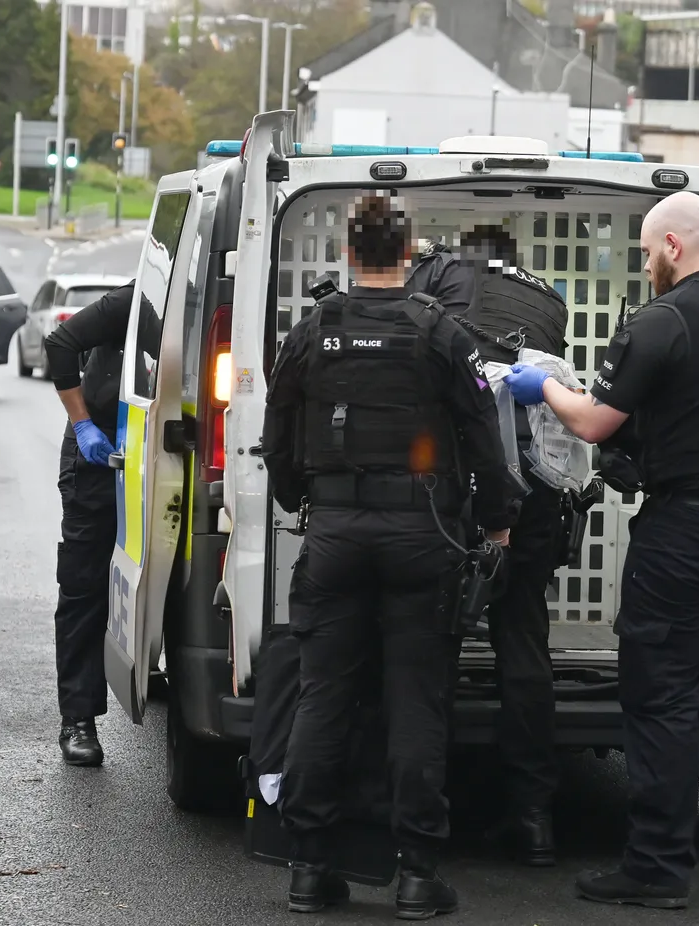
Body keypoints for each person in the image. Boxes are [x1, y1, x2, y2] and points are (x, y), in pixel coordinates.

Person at [504, 191, 699, 907]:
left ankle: (657, 867)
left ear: (671, 245)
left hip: (688, 527)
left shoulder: (661, 322)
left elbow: (597, 423)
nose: (644, 269)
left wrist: (542, 385)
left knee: (659, 693)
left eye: (644, 254)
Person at [262, 194, 519, 918]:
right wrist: (496, 526)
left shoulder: (313, 329)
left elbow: (278, 433)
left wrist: (299, 499)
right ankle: (415, 877)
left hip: (336, 534)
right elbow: (483, 437)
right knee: (417, 703)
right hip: (420, 540)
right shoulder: (442, 333)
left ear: (347, 252)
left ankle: (310, 868)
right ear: (408, 255)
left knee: (323, 697)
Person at [408, 225, 568, 866]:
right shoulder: (548, 297)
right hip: (535, 487)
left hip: (461, 483)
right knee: (523, 641)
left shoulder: (440, 275)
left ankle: (428, 818)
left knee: (433, 645)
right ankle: (535, 819)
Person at [42, 280, 159, 766]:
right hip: (99, 459)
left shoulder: (213, 298)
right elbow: (60, 342)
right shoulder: (137, 298)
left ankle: (160, 676)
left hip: (163, 458)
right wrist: (82, 421)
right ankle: (79, 721)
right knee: (86, 588)